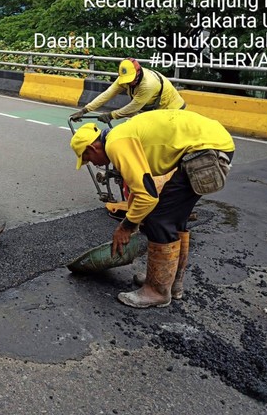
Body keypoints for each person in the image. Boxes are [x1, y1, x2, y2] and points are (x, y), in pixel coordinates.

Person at [70, 110, 235, 308]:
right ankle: (170, 283)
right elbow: (144, 184)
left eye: (87, 158)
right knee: (175, 217)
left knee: (159, 219)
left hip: (205, 152)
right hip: (211, 145)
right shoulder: (121, 135)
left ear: (92, 147)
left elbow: (147, 196)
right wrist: (135, 216)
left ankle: (157, 291)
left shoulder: (116, 144)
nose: (92, 163)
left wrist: (126, 227)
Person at [70, 58, 186, 123]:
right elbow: (107, 94)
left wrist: (111, 115)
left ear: (138, 73)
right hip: (153, 110)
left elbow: (133, 108)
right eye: (127, 80)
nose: (129, 83)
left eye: (131, 79)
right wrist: (85, 110)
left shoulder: (148, 84)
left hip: (171, 109)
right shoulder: (124, 80)